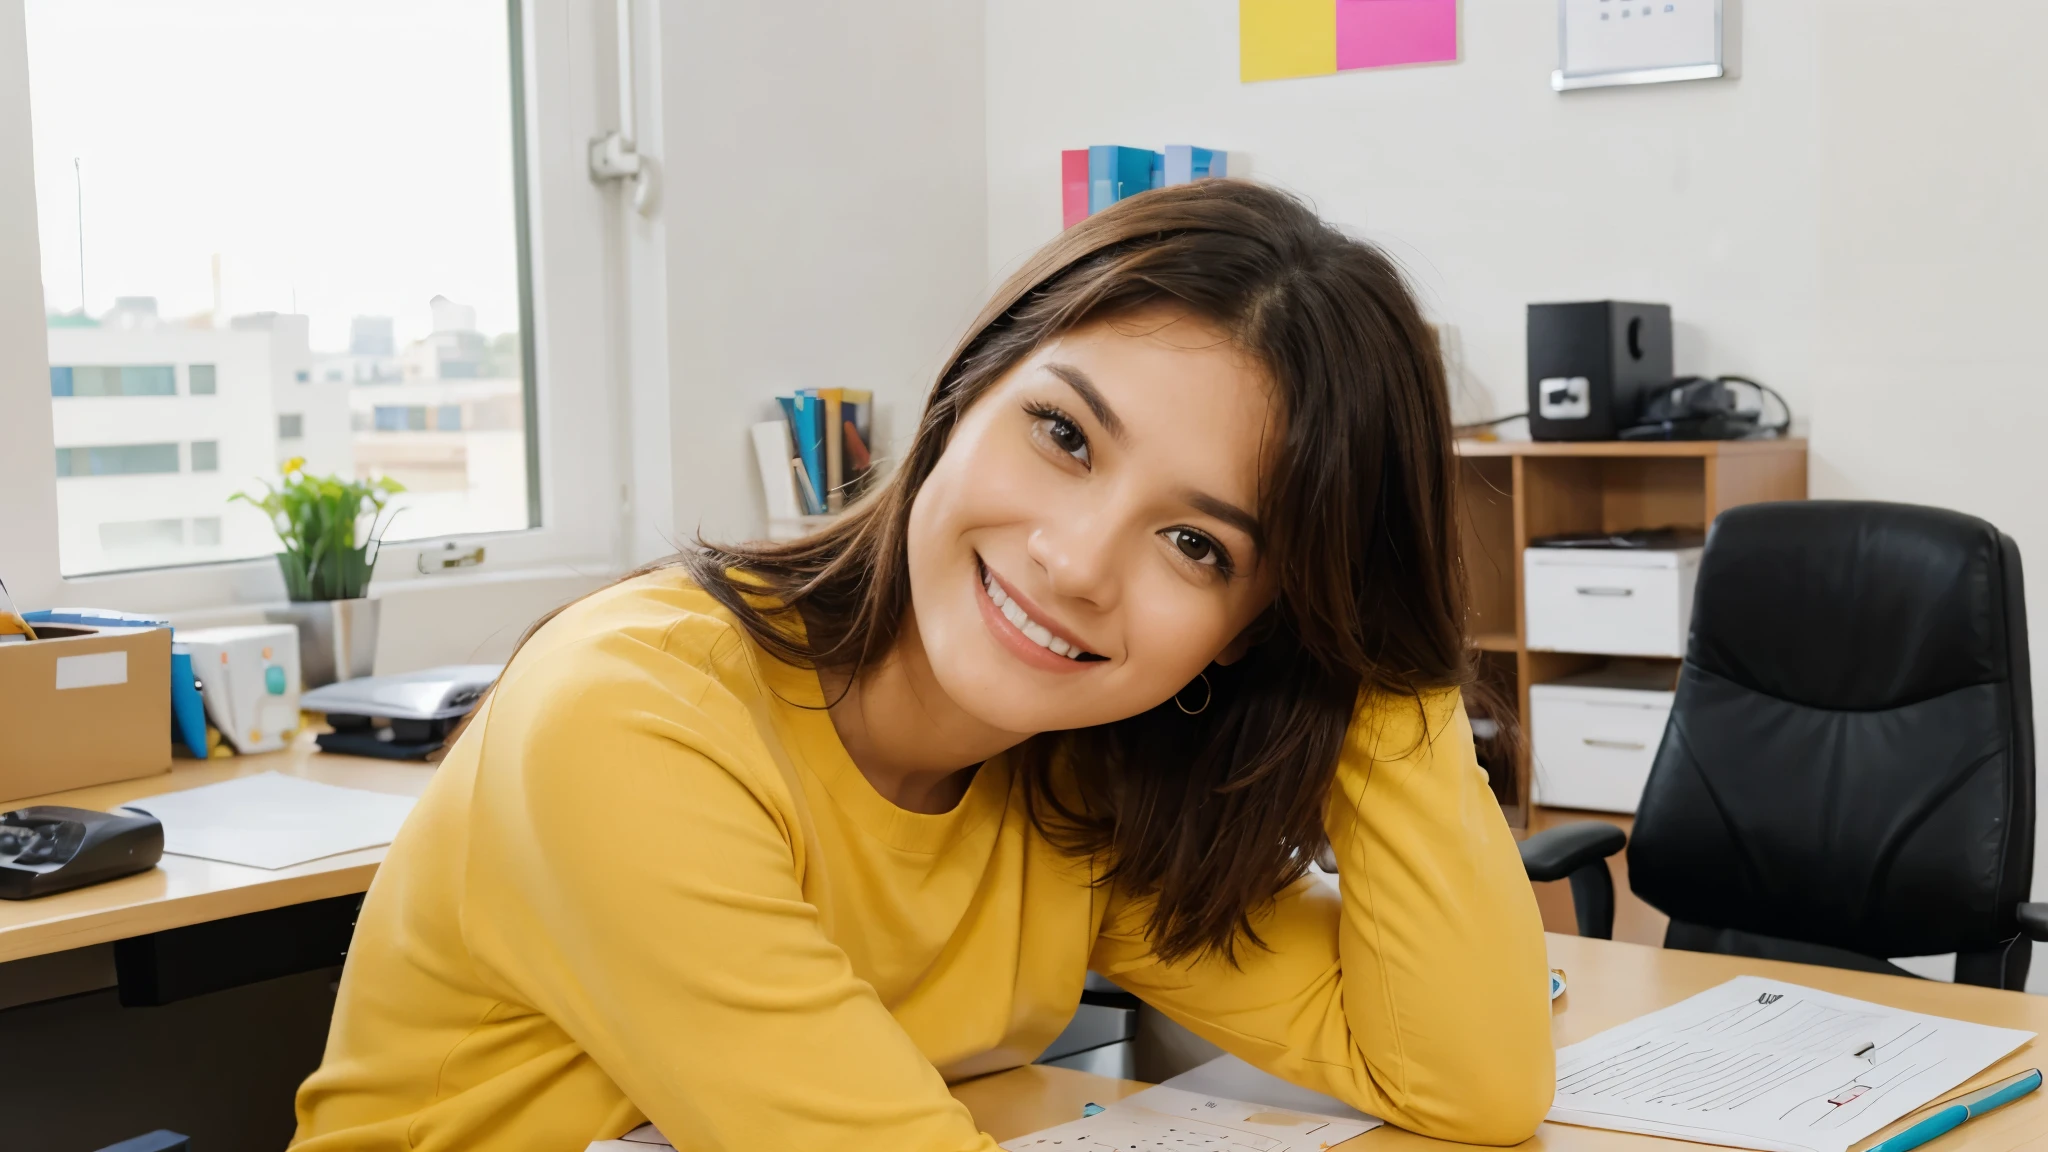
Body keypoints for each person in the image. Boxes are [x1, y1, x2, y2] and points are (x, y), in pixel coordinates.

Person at [292, 179, 1553, 1151]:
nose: (1072, 561)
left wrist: (1378, 662)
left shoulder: (1073, 793)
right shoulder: (633, 715)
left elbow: (1464, 1079)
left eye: (1195, 544)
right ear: (961, 394)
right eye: (1061, 433)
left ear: (1258, 628)